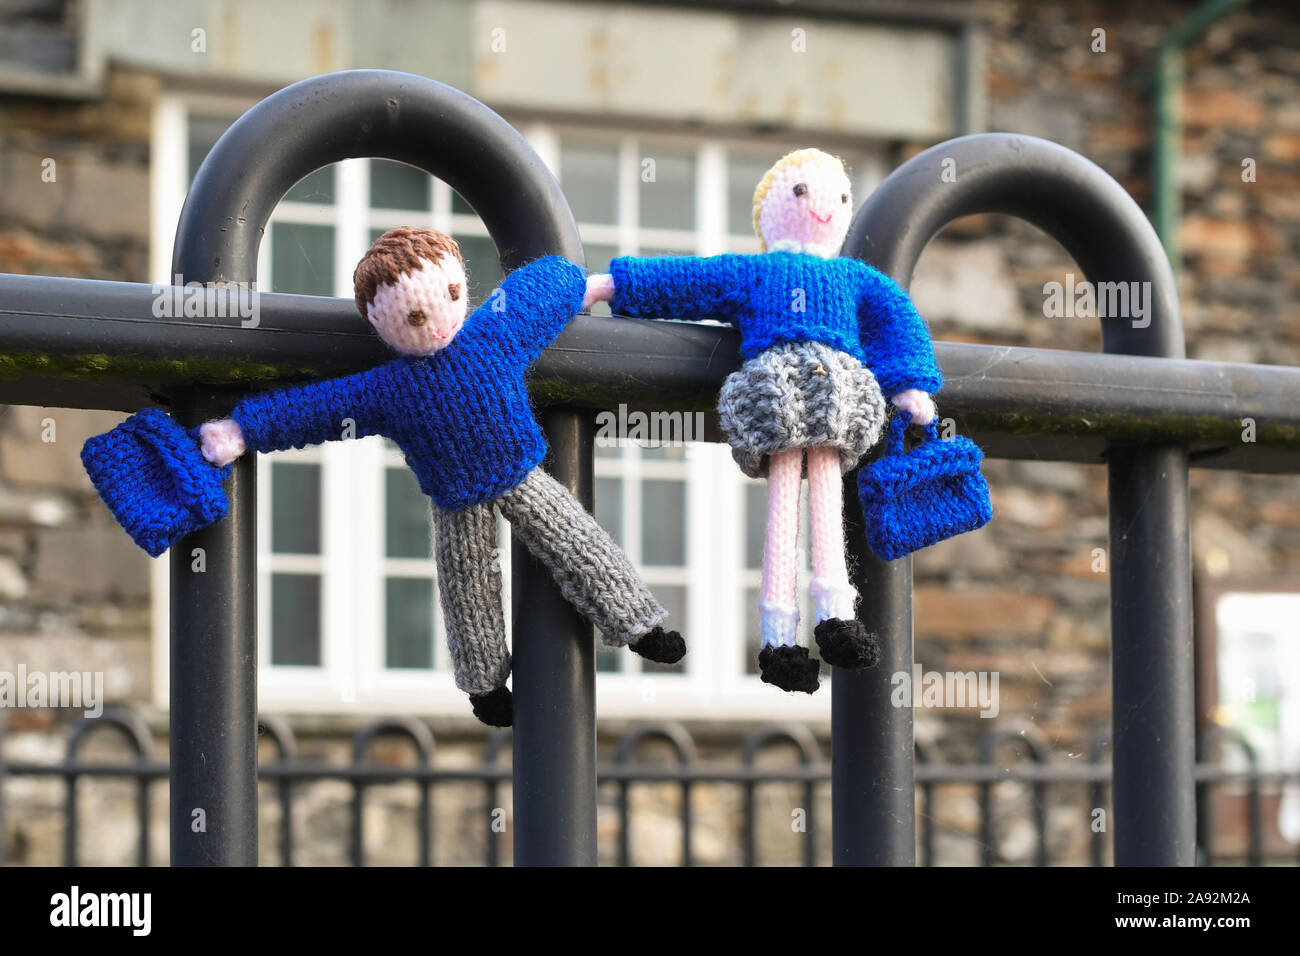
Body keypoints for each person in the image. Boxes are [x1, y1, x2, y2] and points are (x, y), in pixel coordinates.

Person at [199, 228, 685, 725]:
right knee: (467, 585)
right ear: (379, 322)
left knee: (575, 539)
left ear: (460, 284)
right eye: (412, 317)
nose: (433, 325)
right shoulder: (398, 385)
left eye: (451, 295)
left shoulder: (487, 339)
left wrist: (589, 287)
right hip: (458, 496)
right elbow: (317, 409)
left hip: (516, 471)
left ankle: (638, 624)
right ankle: (485, 684)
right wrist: (244, 428)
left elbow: (538, 291)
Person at [586, 149, 940, 693]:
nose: (822, 207)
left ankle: (836, 617)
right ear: (772, 208)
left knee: (825, 503)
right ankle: (778, 641)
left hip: (835, 402)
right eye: (803, 193)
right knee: (782, 516)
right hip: (777, 400)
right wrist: (613, 284)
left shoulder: (855, 279)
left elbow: (897, 320)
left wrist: (910, 381)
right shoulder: (755, 272)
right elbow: (688, 280)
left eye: (839, 198)